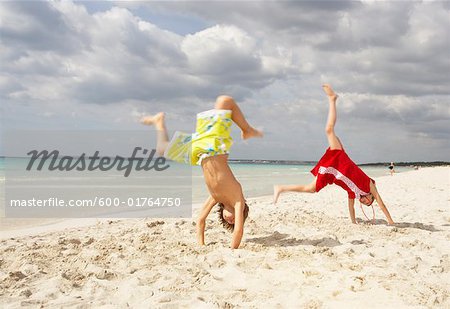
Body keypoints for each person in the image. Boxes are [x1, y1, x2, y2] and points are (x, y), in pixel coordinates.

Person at [141, 96, 263, 248]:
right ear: (243, 210)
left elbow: (200, 220)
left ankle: (158, 121)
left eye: (227, 221)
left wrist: (201, 245)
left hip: (198, 152)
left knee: (161, 149)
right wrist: (233, 249)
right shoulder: (238, 198)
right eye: (234, 220)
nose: (230, 221)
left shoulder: (215, 197)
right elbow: (238, 231)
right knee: (225, 101)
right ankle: (248, 130)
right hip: (214, 145)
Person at [273, 84, 394, 225]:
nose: (364, 201)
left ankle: (281, 188)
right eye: (368, 201)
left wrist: (353, 222)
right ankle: (332, 99)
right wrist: (390, 222)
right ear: (370, 196)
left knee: (311, 189)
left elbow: (351, 207)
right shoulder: (368, 185)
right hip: (340, 158)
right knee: (329, 130)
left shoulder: (352, 193)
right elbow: (381, 203)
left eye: (365, 203)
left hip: (332, 172)